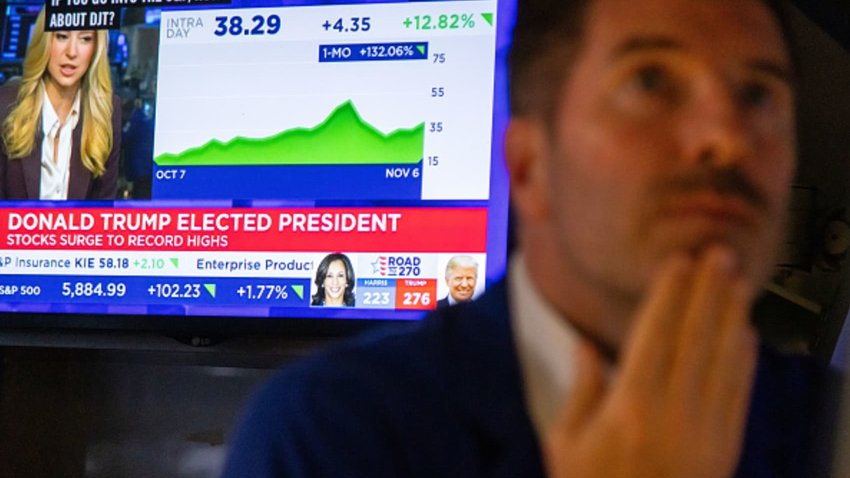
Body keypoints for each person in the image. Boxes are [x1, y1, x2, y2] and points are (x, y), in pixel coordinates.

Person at [223, 0, 840, 477]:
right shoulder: (331, 433)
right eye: (650, 81)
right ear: (527, 166)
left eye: (759, 93)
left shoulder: (832, 427)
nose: (726, 137)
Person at [0, 9, 120, 200]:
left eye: (85, 39)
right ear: (45, 41)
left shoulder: (107, 111)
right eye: (62, 36)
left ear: (96, 48)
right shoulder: (6, 105)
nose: (71, 52)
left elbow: (102, 212)